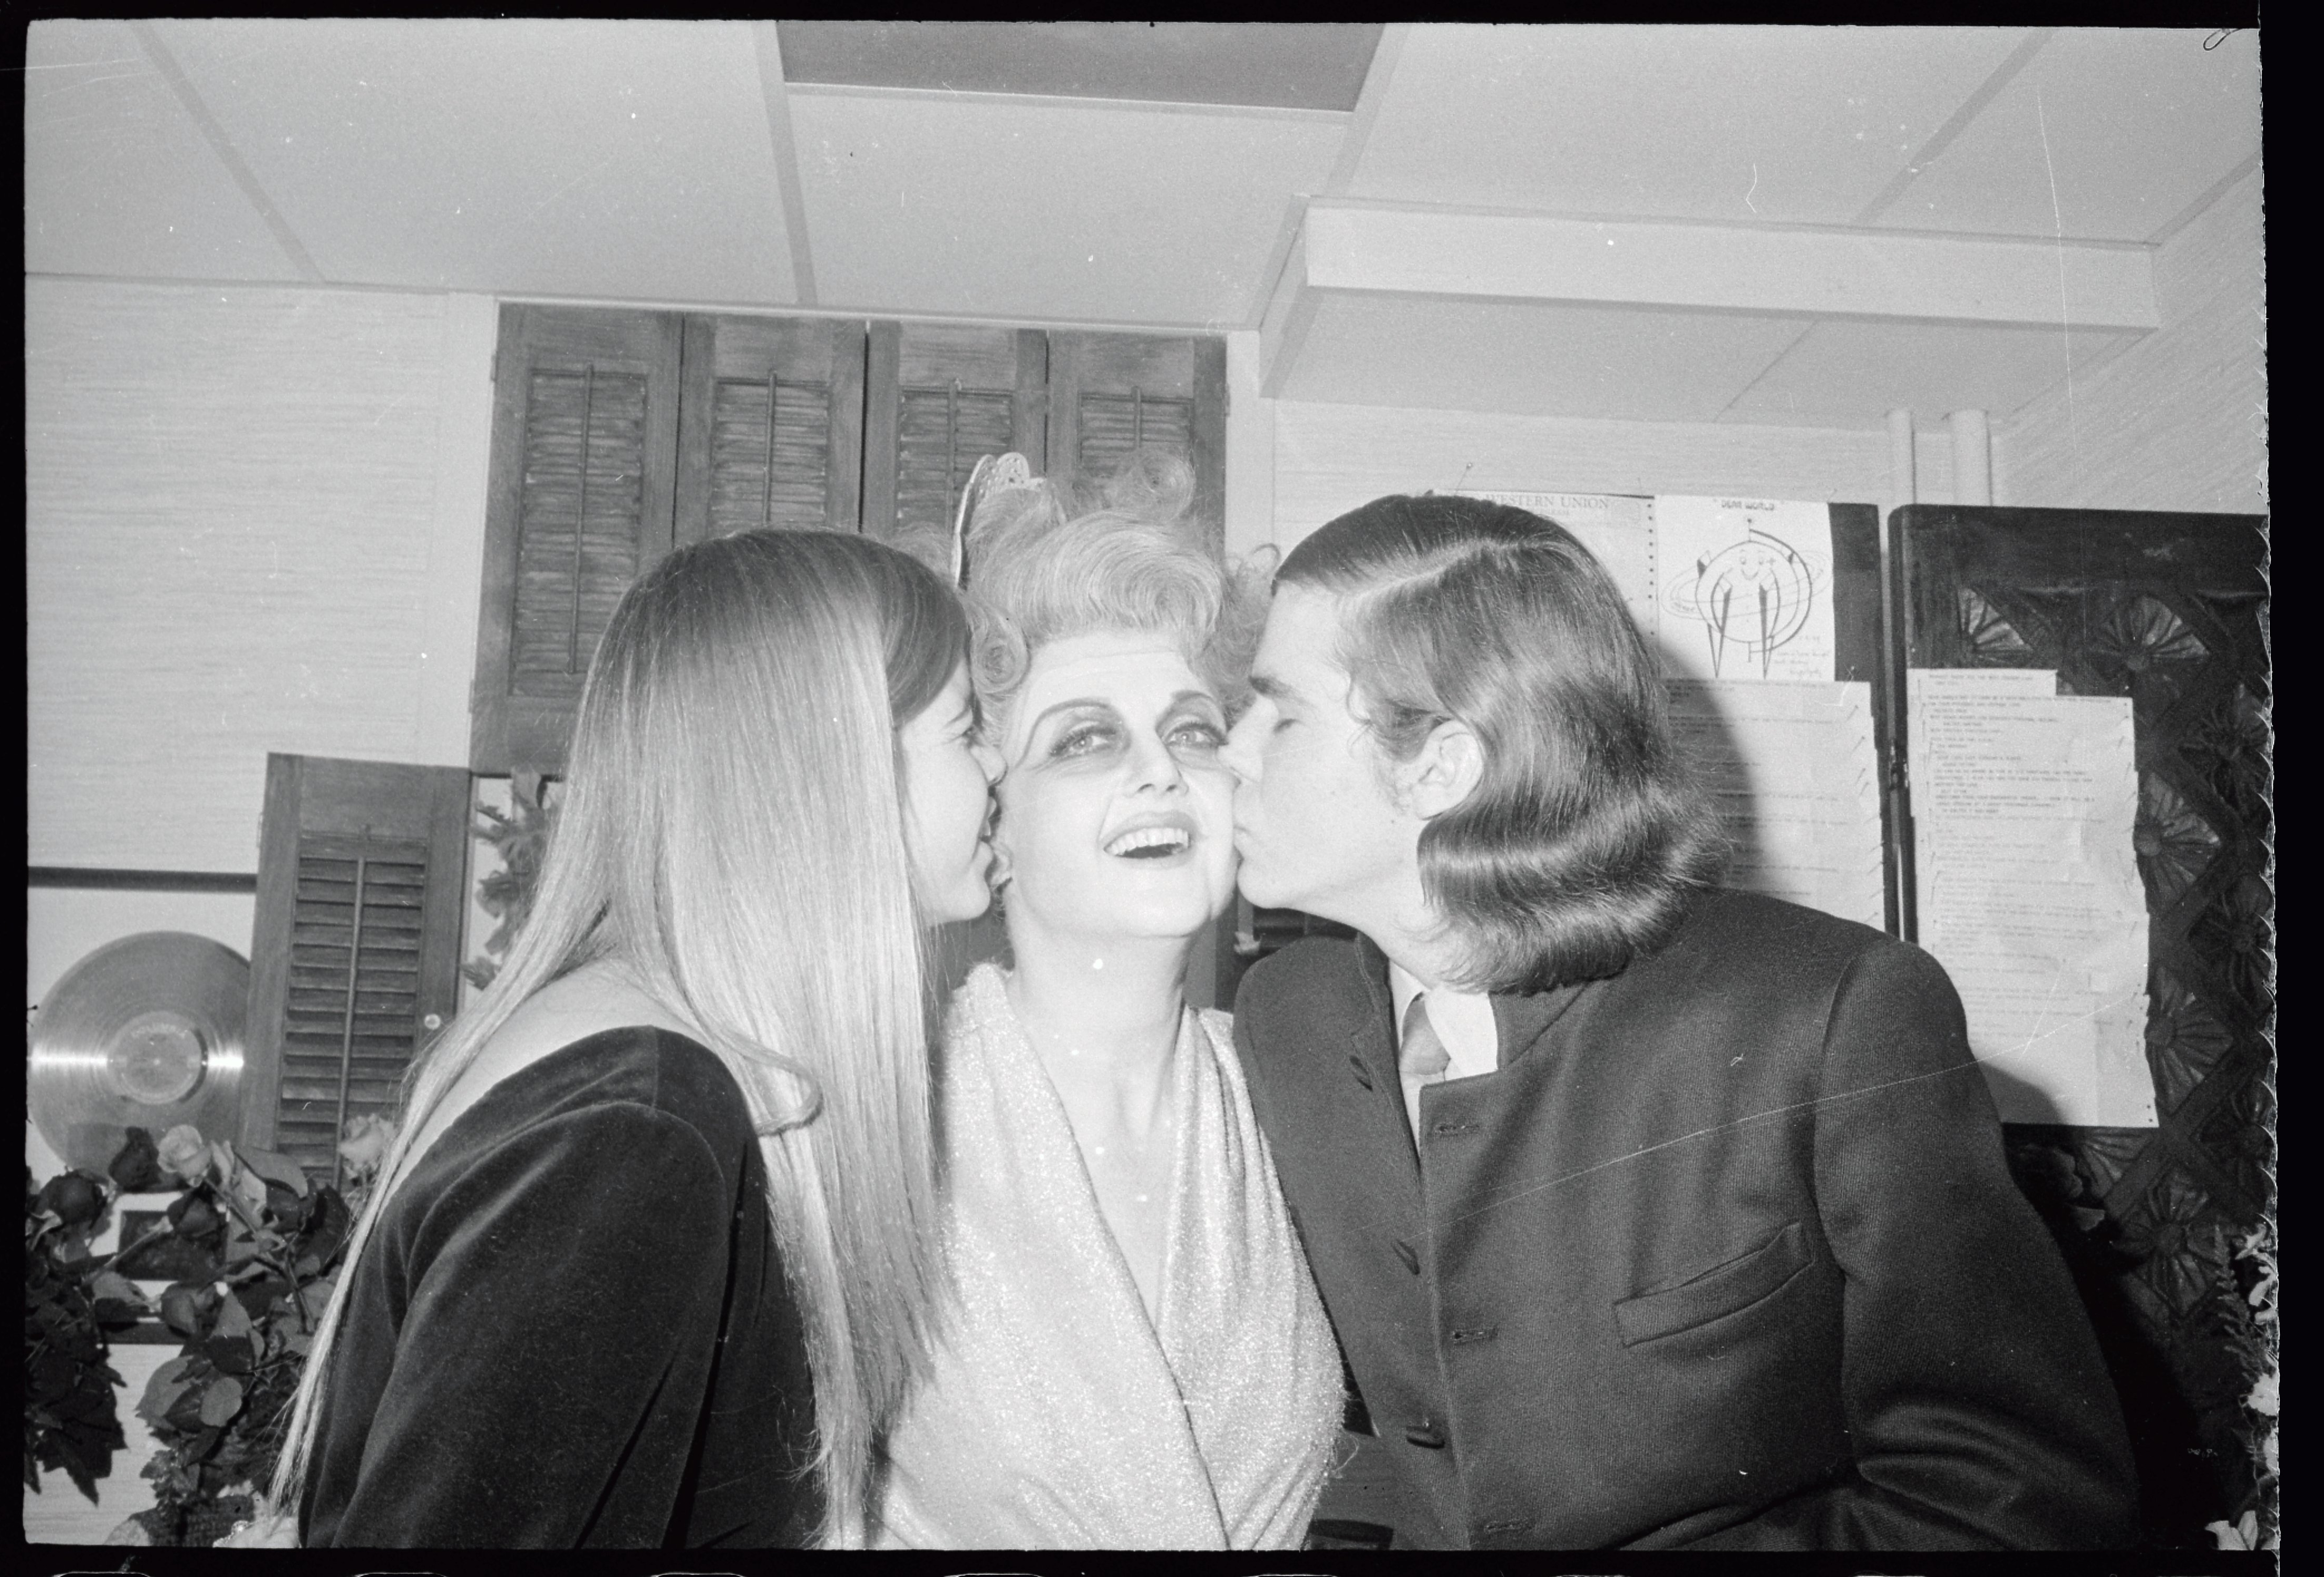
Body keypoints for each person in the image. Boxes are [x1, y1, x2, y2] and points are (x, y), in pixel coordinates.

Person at [1220, 493, 2140, 1550]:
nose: (1233, 753)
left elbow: (2016, 1499)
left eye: (1279, 714)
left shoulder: (1825, 1010)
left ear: (1441, 766)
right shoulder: (1284, 1018)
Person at [263, 530, 1000, 1548]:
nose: (997, 766)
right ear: (839, 769)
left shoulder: (643, 1065)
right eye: (966, 728)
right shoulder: (637, 1123)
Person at [870, 456, 1343, 1549]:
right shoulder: (887, 1116)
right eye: (1084, 739)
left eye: (1190, 732)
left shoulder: (1306, 1096)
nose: (1159, 773)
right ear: (996, 819)